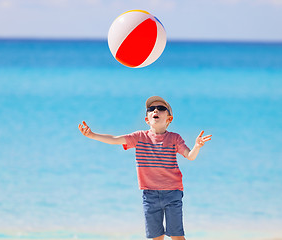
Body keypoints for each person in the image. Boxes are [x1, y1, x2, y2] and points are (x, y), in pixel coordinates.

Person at [78, 96, 212, 240]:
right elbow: (115, 139)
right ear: (147, 119)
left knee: (177, 235)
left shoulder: (175, 138)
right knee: (156, 237)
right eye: (151, 109)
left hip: (172, 193)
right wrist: (92, 135)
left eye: (161, 108)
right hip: (149, 195)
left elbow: (190, 156)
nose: (155, 110)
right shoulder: (139, 137)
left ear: (169, 119)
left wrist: (197, 146)